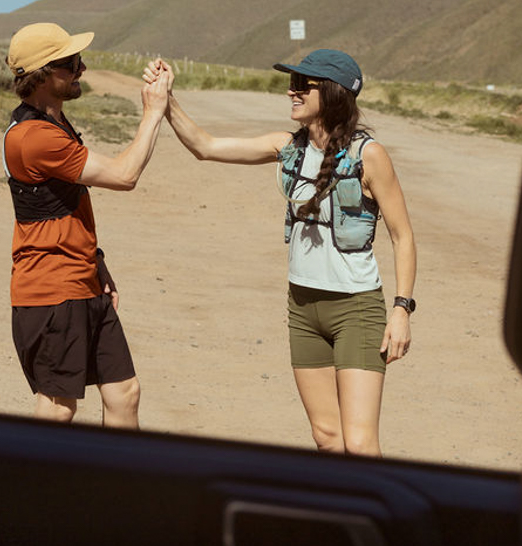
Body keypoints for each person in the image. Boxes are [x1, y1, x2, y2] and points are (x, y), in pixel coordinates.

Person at [144, 49, 416, 456]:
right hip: (303, 308)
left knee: (359, 443)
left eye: (302, 85)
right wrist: (166, 101)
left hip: (356, 309)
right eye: (291, 83)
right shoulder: (286, 147)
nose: (292, 91)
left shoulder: (368, 155)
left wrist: (401, 310)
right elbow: (205, 146)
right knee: (326, 436)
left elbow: (403, 236)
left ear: (333, 92)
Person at [4, 22, 172, 428]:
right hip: (52, 292)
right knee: (59, 405)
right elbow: (124, 175)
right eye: (70, 63)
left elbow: (63, 205)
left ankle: (117, 487)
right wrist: (153, 111)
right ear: (41, 75)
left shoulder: (54, 124)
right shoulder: (33, 137)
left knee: (124, 393)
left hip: (82, 280)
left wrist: (97, 263)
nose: (81, 69)